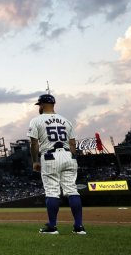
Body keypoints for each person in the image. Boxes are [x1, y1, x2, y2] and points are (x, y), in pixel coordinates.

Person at [28, 93, 86, 235]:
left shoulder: (36, 120)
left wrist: (35, 161)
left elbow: (34, 143)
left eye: (39, 105)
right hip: (68, 155)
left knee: (52, 192)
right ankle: (79, 227)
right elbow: (73, 143)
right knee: (72, 190)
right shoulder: (66, 121)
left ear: (41, 105)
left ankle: (52, 227)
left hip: (50, 156)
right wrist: (72, 158)